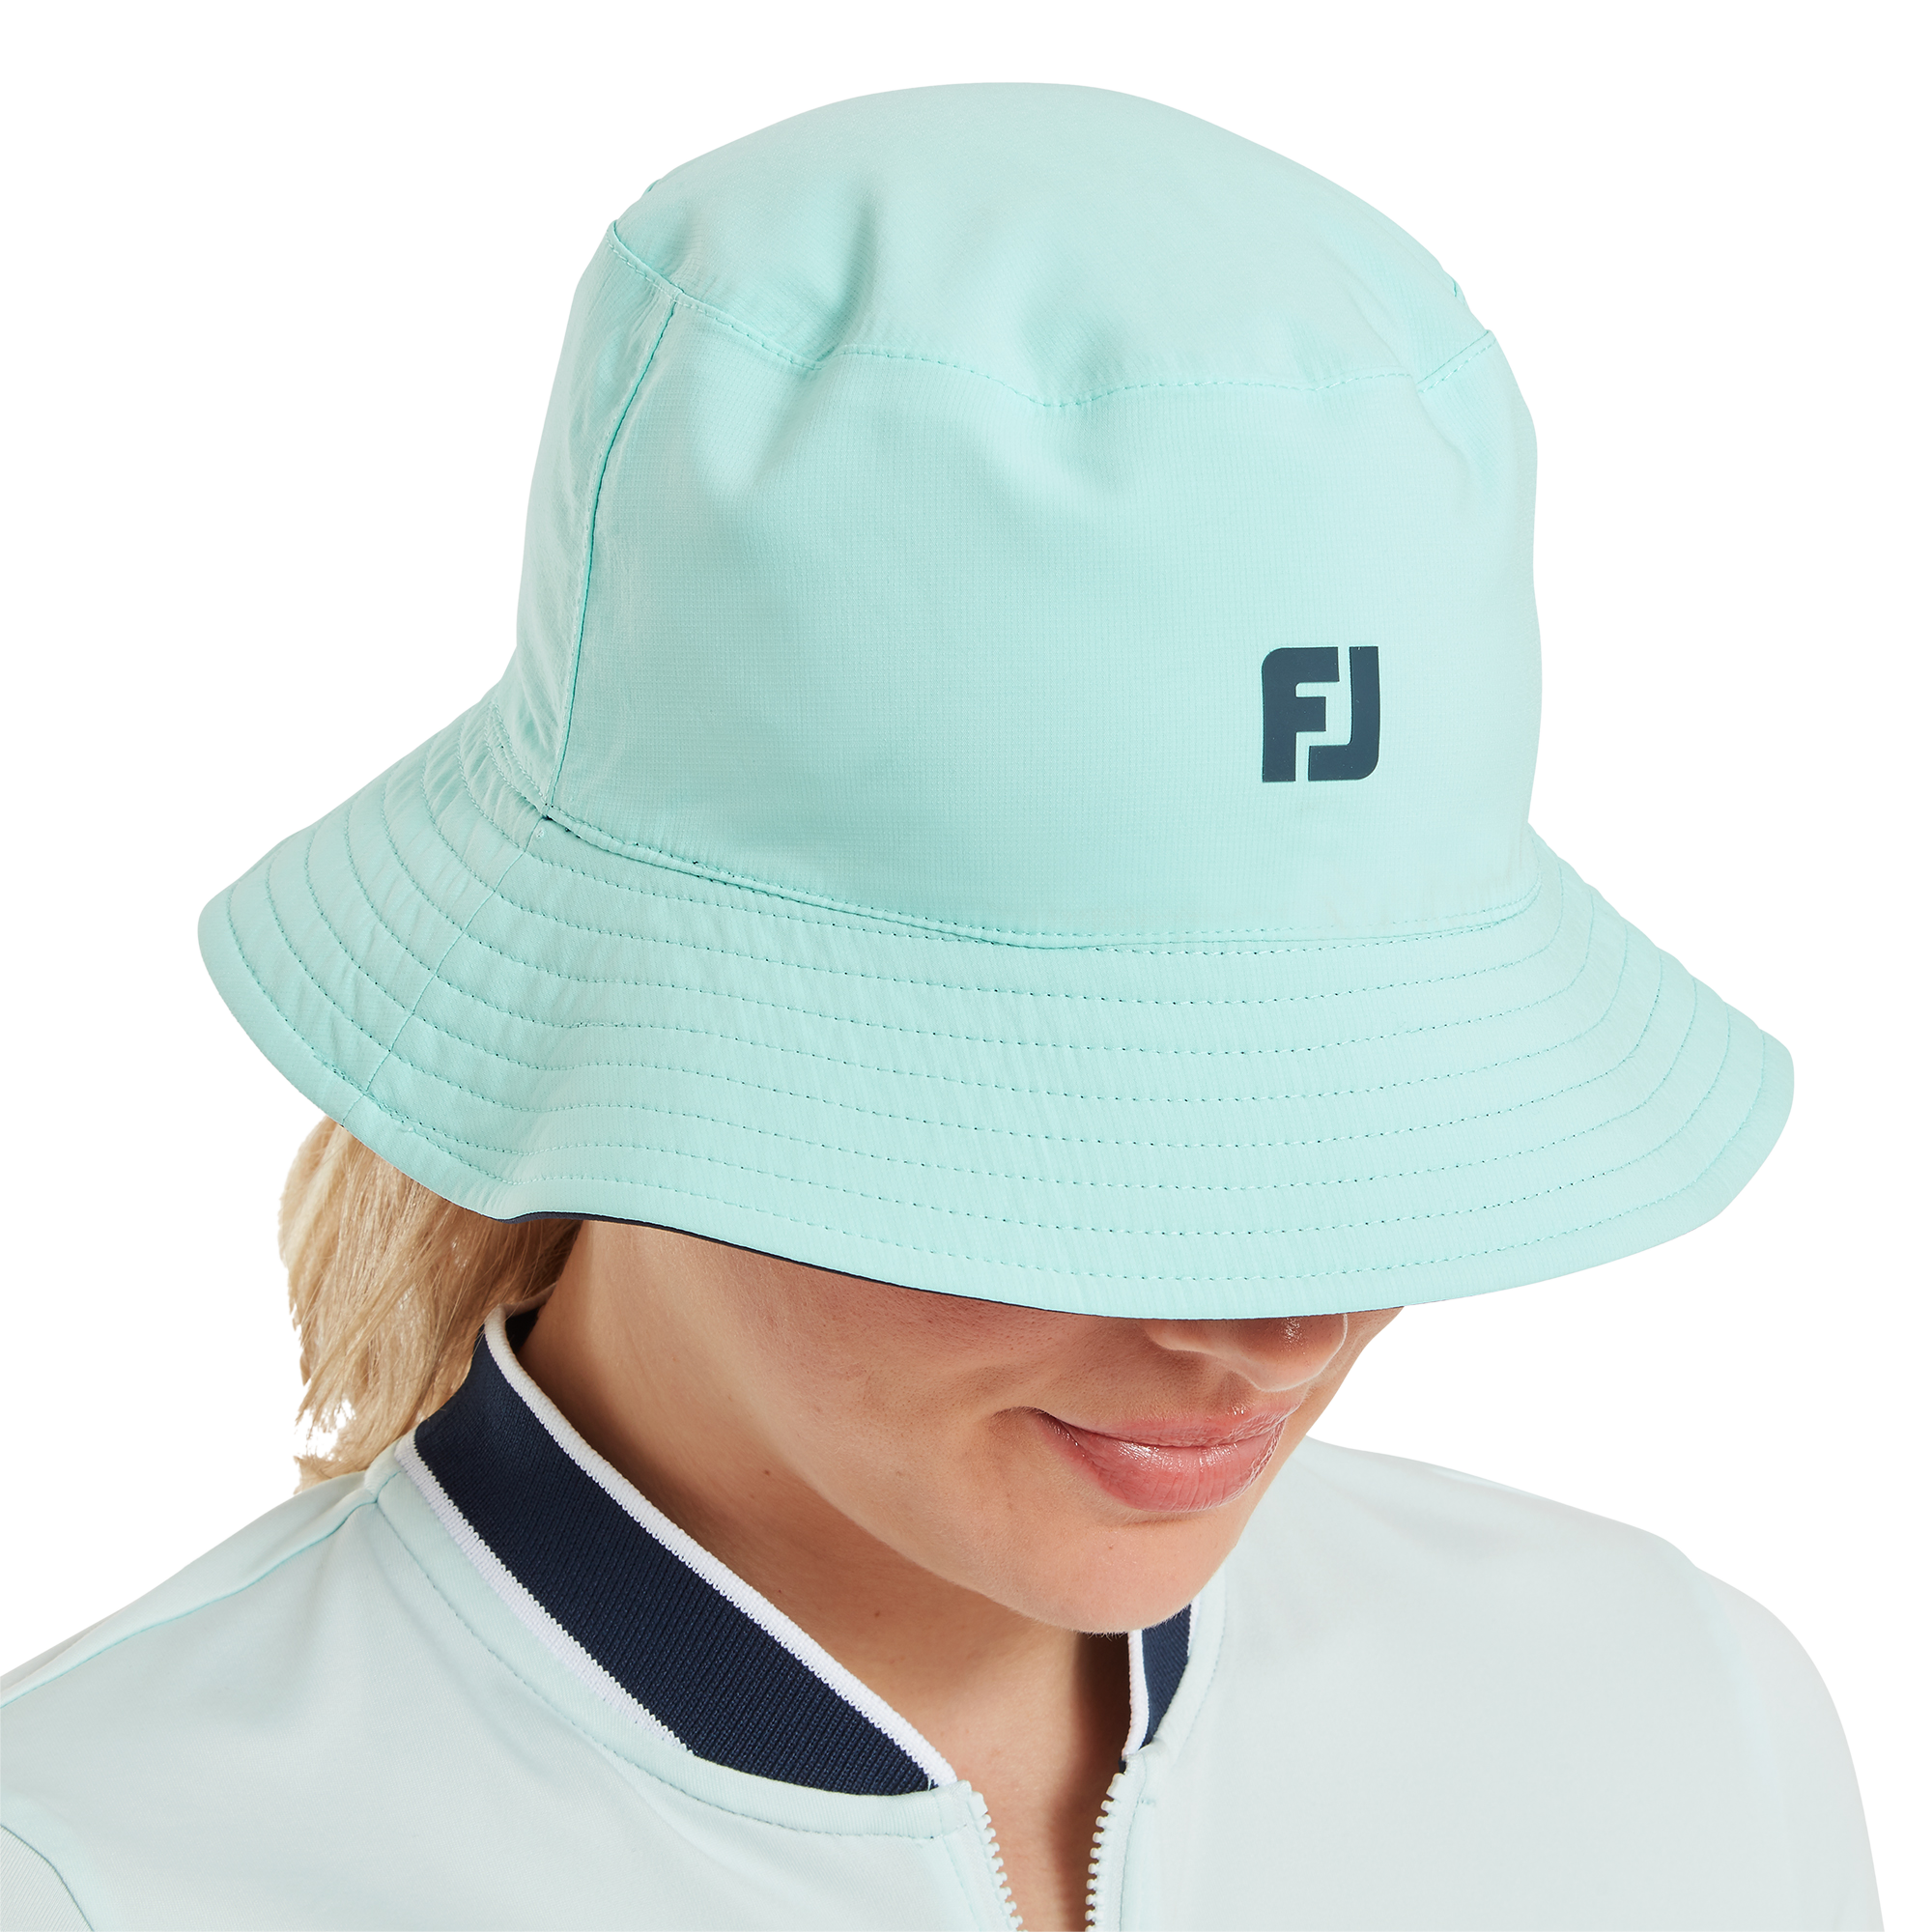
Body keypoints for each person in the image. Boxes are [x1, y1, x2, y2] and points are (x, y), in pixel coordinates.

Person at [0, 83, 1881, 1932]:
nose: (1282, 1327)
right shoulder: (98, 1874)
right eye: (1094, 1133)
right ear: (639, 1009)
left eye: (1365, 1111)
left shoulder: (1680, 1729)